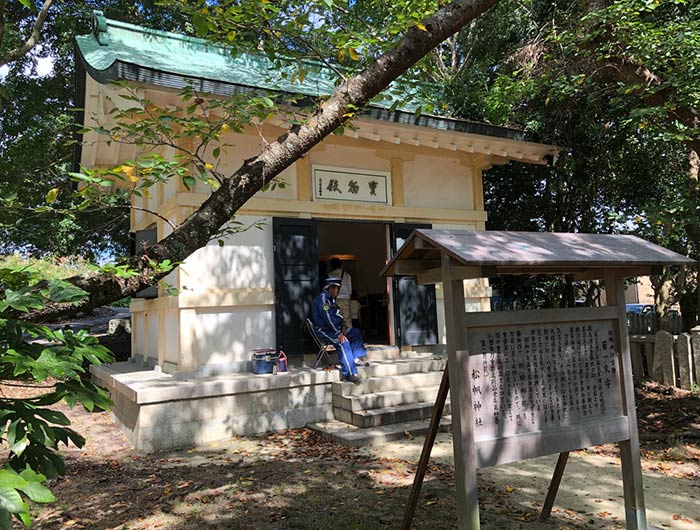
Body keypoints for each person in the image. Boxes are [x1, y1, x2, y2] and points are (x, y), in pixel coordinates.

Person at [311, 277, 369, 383]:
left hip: (335, 329)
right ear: (328, 288)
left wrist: (343, 327)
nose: (335, 290)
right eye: (332, 288)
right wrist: (338, 334)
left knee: (355, 332)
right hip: (324, 331)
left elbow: (338, 316)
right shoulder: (324, 299)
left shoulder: (331, 299)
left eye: (337, 288)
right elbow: (328, 319)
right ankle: (349, 373)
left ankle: (355, 359)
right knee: (343, 342)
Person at [328, 257, 352, 329]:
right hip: (345, 299)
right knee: (347, 320)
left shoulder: (329, 275)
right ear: (341, 265)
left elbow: (329, 289)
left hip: (334, 299)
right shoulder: (347, 275)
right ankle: (349, 337)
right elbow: (350, 290)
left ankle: (338, 337)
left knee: (335, 320)